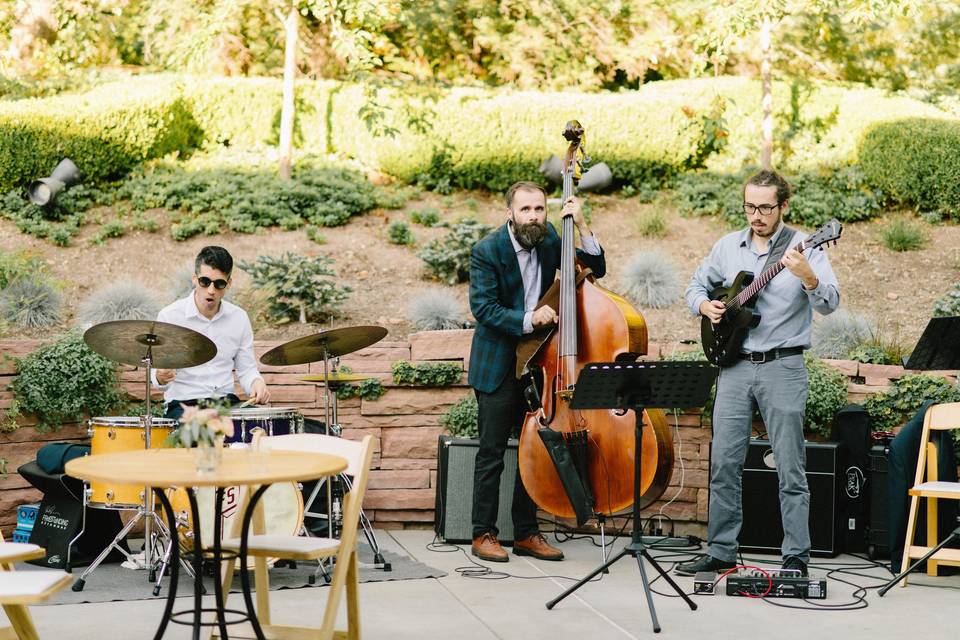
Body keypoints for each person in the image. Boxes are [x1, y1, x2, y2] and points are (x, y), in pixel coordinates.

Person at [676, 170, 840, 578]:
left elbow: (829, 303)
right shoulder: (728, 246)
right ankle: (721, 551)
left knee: (790, 466)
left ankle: (796, 557)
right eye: (750, 206)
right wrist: (705, 307)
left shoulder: (806, 246)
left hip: (783, 366)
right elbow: (696, 286)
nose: (756, 215)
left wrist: (807, 275)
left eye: (766, 207)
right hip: (734, 367)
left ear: (784, 206)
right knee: (724, 465)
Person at [468, 181, 606, 562]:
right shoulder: (487, 250)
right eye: (526, 210)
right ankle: (483, 533)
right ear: (510, 213)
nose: (533, 216)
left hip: (539, 363)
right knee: (492, 453)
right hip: (498, 363)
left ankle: (526, 533)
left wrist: (581, 226)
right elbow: (484, 309)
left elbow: (596, 268)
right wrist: (530, 318)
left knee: (535, 448)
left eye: (540, 209)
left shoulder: (550, 242)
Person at [153, 246, 270, 419]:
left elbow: (246, 370)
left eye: (219, 283)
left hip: (226, 404)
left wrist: (257, 383)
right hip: (184, 405)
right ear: (195, 279)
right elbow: (156, 378)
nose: (211, 290)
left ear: (229, 283)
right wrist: (161, 376)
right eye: (205, 282)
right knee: (203, 433)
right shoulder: (170, 316)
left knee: (267, 426)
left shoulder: (239, 318)